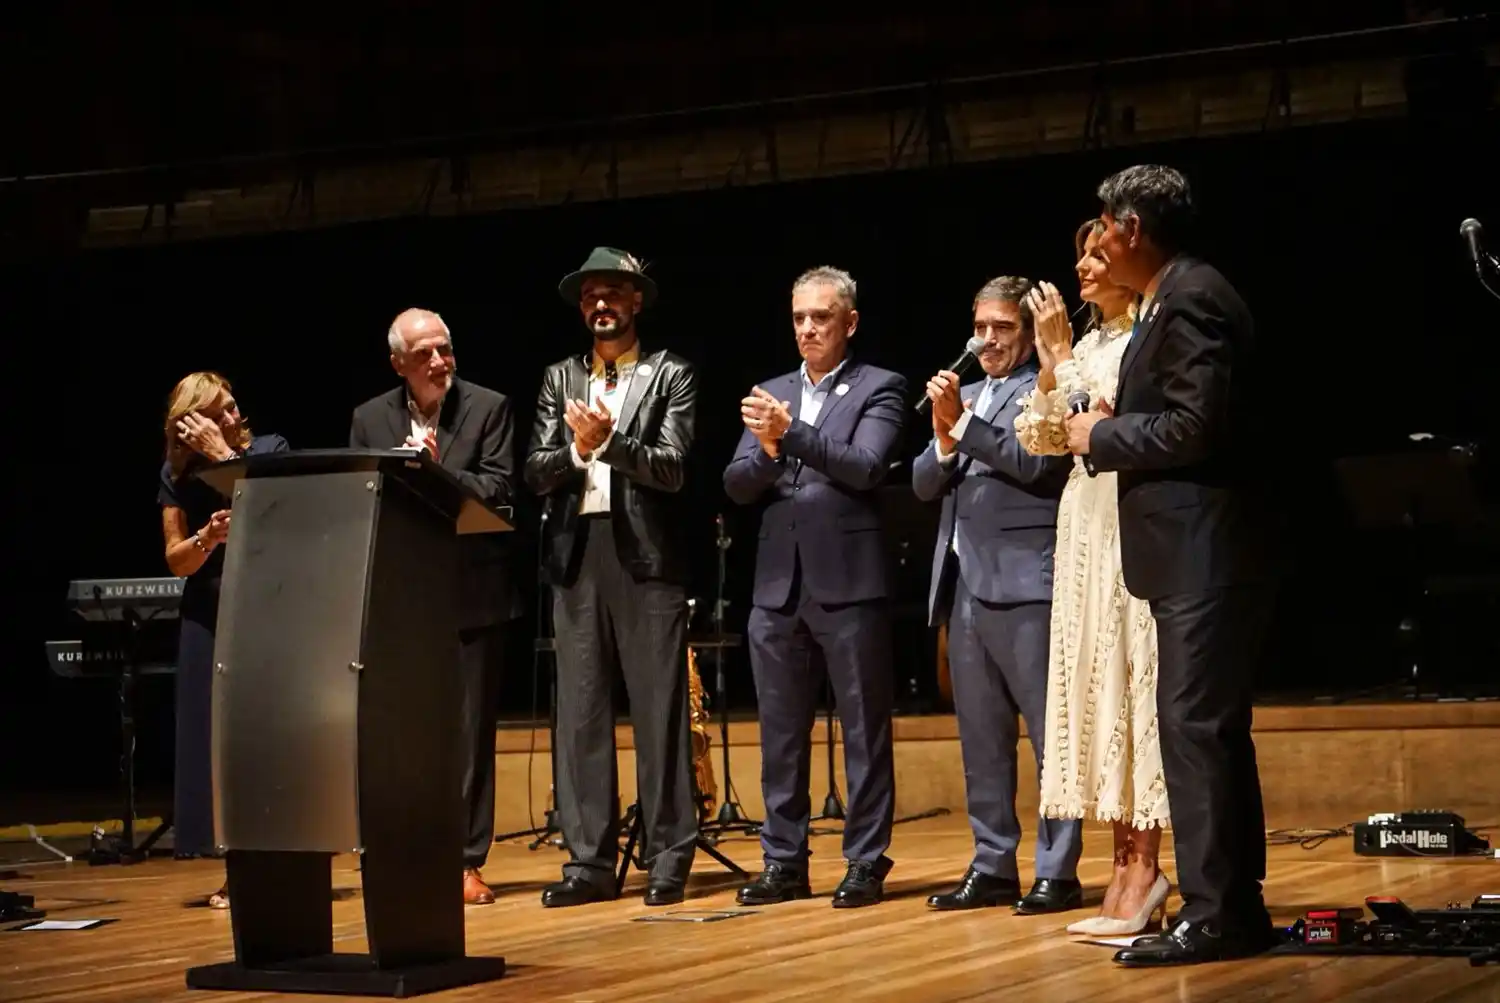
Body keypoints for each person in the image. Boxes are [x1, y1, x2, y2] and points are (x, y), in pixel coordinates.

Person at [1065, 165, 1278, 966]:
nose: (1098, 240)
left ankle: (1220, 913)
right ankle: (1231, 908)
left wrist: (1102, 437)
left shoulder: (1191, 294)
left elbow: (1199, 427)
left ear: (1130, 229)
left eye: (1104, 225)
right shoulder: (1173, 294)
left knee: (1196, 731)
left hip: (1207, 548)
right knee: (1204, 732)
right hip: (1189, 551)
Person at [724, 266, 906, 909]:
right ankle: (784, 859)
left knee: (863, 728)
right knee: (779, 732)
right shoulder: (770, 390)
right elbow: (737, 482)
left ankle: (864, 859)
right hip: (777, 587)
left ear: (848, 323)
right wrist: (770, 450)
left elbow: (863, 467)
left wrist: (788, 433)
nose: (807, 328)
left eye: (821, 317)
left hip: (850, 583)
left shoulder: (881, 387)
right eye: (799, 317)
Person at [524, 247, 699, 908]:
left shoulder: (669, 374)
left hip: (645, 557)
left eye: (614, 294)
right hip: (577, 555)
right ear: (582, 307)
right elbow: (537, 468)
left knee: (659, 712)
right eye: (592, 295)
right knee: (581, 715)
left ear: (635, 303)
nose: (603, 305)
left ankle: (668, 854)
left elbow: (673, 466)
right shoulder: (558, 377)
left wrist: (609, 443)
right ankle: (590, 861)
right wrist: (576, 448)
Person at [1015, 223, 1172, 937]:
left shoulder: (1151, 334)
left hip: (1129, 517)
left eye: (1097, 253)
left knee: (1132, 681)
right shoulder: (1086, 345)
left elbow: (1114, 421)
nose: (1081, 264)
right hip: (1083, 521)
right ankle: (1119, 865)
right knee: (1093, 683)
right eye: (1078, 250)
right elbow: (1044, 438)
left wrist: (1060, 363)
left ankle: (1147, 866)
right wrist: (1054, 365)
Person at [913, 276, 1082, 914]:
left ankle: (1057, 870)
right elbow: (926, 485)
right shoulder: (970, 392)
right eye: (979, 327)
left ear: (1026, 331)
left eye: (1001, 328)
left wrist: (965, 426)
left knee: (1047, 736)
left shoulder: (1039, 386)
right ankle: (992, 864)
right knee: (981, 739)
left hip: (1027, 582)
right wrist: (942, 435)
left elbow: (1039, 464)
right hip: (964, 585)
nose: (986, 340)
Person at [349, 307, 522, 906]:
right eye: (424, 354)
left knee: (470, 736)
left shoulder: (489, 405)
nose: (440, 362)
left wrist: (436, 471)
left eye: (445, 349)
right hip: (403, 597)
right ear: (399, 362)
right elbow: (359, 500)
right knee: (407, 734)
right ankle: (412, 852)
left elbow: (501, 489)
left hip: (473, 592)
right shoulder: (368, 418)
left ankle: (466, 861)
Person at [157, 372, 288, 909]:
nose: (233, 418)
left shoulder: (270, 451)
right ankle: (236, 869)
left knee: (260, 740)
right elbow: (176, 559)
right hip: (208, 611)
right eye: (218, 413)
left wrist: (221, 455)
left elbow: (280, 513)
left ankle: (277, 861)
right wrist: (207, 537)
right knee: (212, 744)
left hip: (263, 606)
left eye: (233, 407)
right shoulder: (175, 474)